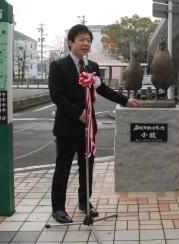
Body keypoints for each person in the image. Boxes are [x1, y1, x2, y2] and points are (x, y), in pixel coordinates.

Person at [48, 24, 141, 224]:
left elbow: (103, 89)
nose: (86, 43)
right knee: (62, 167)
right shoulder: (58, 66)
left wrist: (125, 101)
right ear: (70, 42)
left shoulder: (92, 67)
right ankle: (58, 208)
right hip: (67, 127)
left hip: (88, 128)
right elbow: (57, 95)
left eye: (89, 40)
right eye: (81, 39)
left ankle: (84, 202)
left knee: (87, 166)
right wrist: (78, 113)